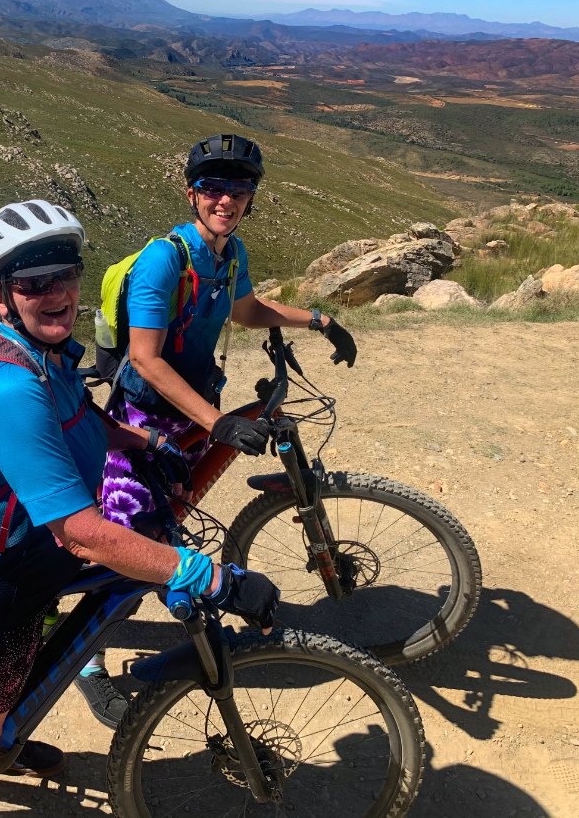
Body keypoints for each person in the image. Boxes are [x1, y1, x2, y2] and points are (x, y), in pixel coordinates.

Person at [0, 199, 279, 818]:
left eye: (65, 275)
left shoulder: (46, 354)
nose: (56, 293)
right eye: (34, 283)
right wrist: (209, 575)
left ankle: (5, 720)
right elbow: (83, 534)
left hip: (30, 559)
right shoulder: (7, 385)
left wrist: (152, 441)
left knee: (94, 601)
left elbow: (81, 417)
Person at [75, 133, 358, 728]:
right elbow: (147, 359)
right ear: (192, 194)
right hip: (146, 416)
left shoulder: (230, 255)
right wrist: (219, 422)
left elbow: (246, 309)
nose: (225, 200)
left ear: (251, 199)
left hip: (196, 409)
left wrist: (320, 320)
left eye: (239, 190)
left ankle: (174, 580)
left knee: (171, 513)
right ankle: (85, 663)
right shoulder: (164, 260)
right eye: (213, 189)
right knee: (130, 543)